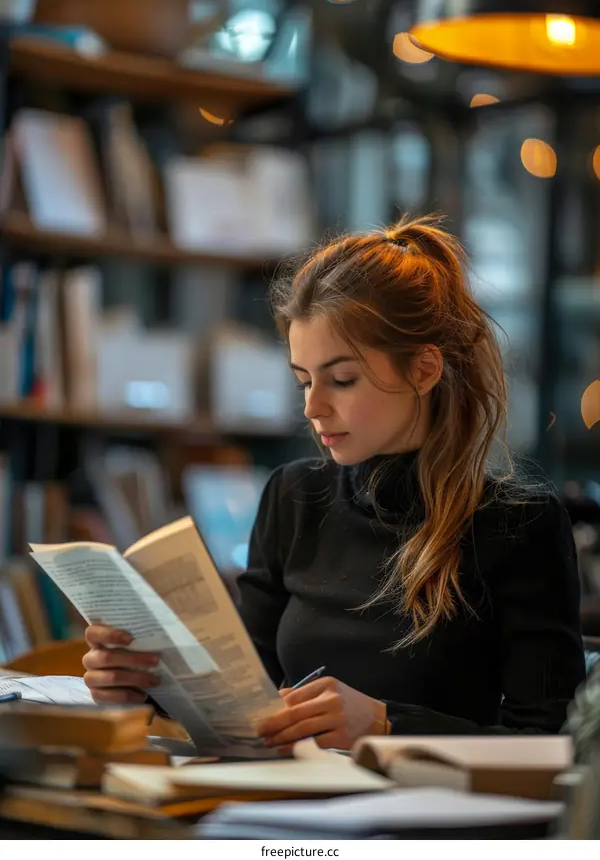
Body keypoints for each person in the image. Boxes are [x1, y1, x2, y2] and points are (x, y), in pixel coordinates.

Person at [82, 216, 585, 750]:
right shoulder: (294, 497)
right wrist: (142, 688)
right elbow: (241, 693)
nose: (313, 407)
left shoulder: (517, 524)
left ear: (423, 370)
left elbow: (551, 746)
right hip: (290, 808)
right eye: (304, 379)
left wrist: (386, 725)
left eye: (342, 380)